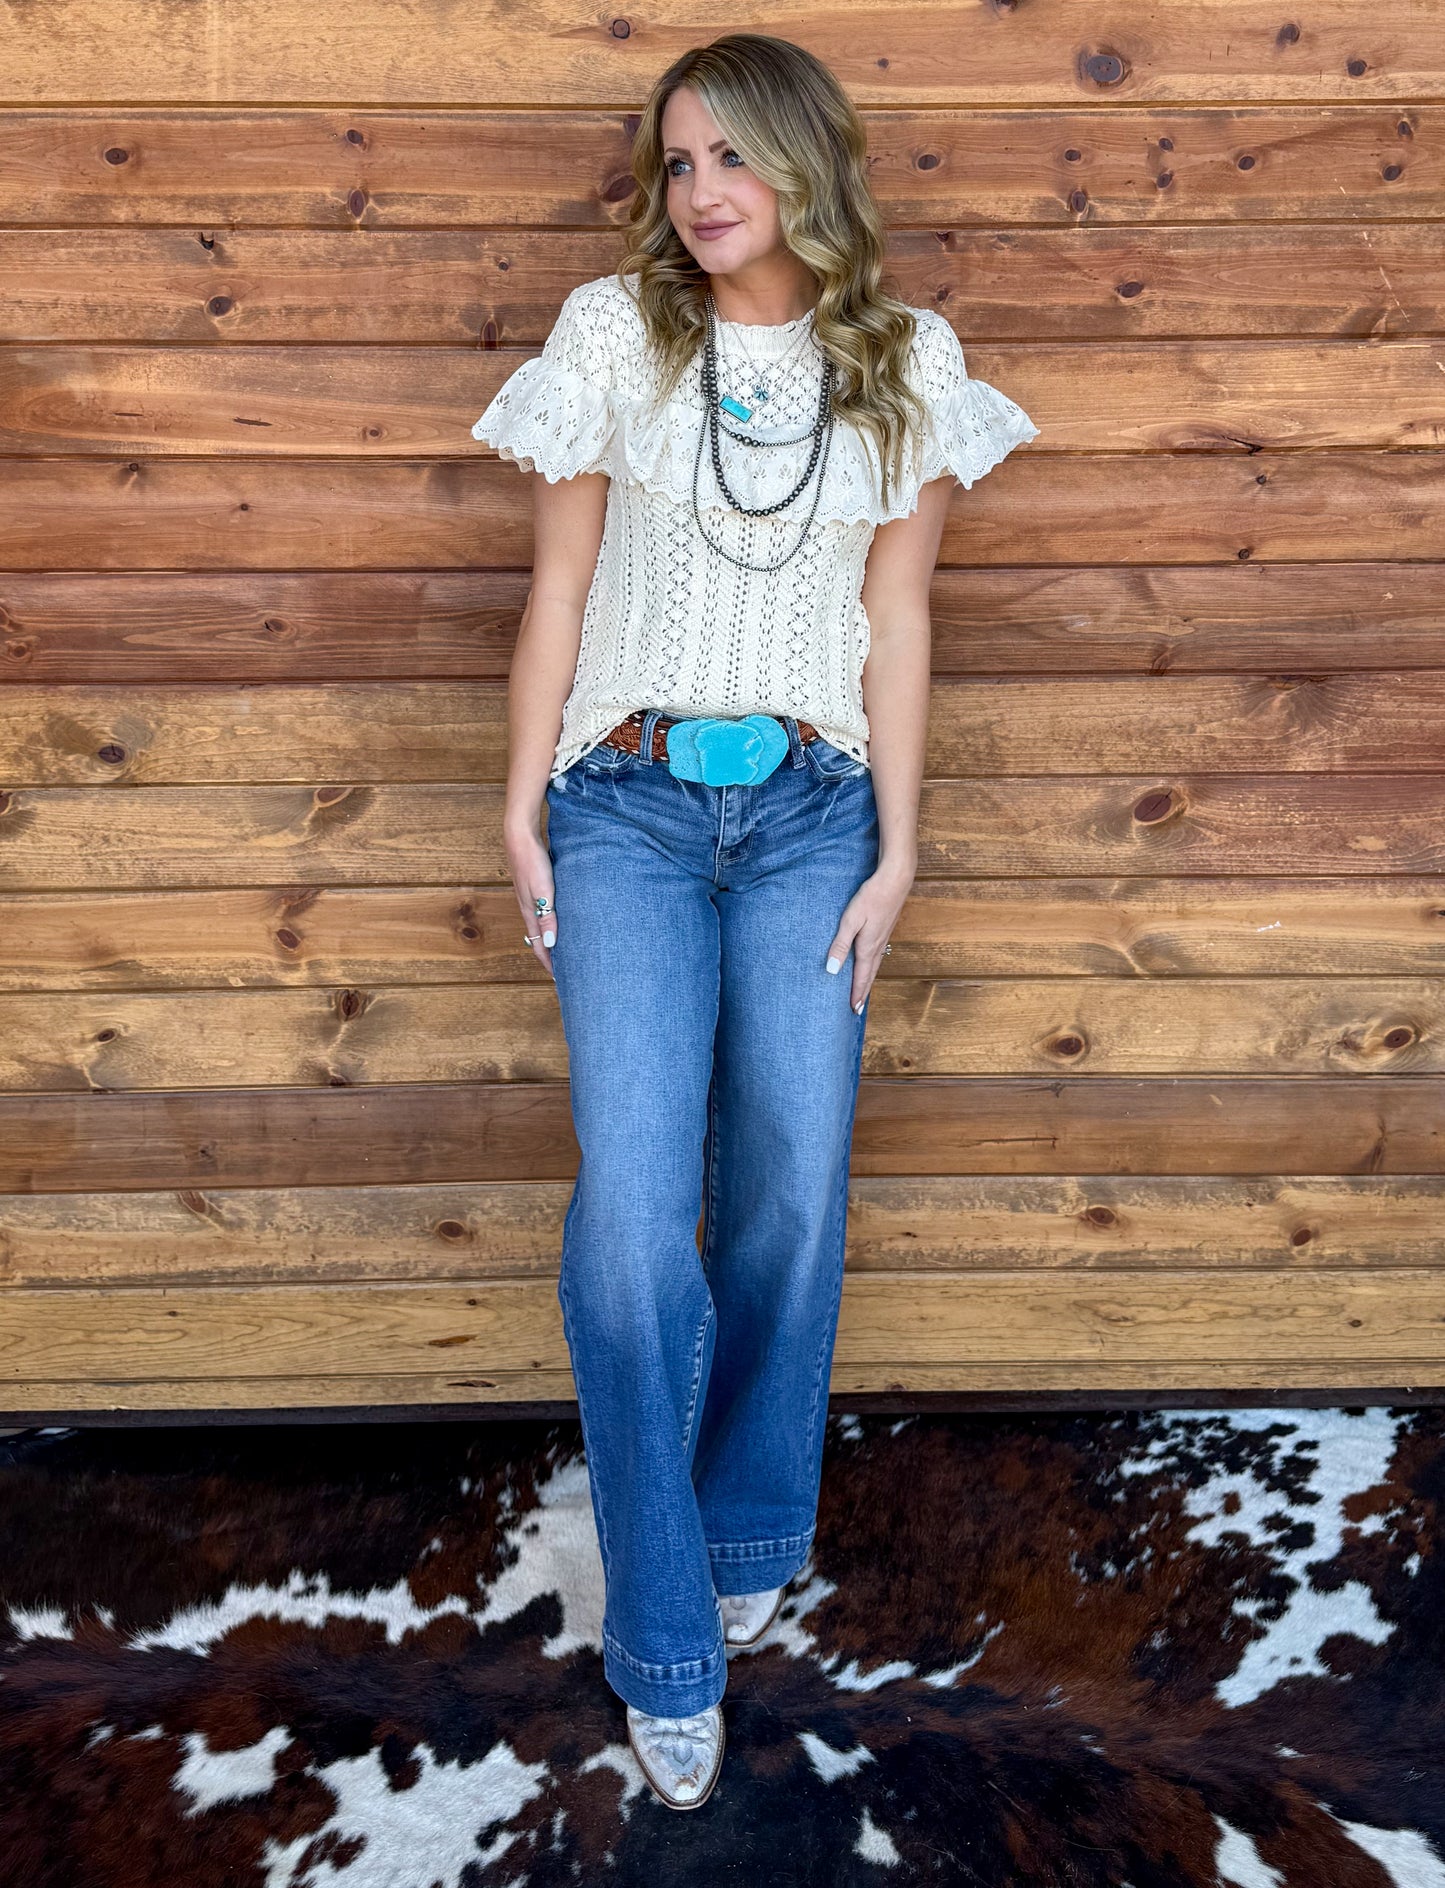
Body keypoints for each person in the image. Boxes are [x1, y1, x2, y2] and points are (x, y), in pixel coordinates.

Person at [471, 32, 1038, 1811]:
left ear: (806, 164)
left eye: (732, 155)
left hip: (811, 818)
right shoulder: (611, 338)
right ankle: (664, 1639)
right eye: (677, 162)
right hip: (627, 807)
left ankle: (742, 1520)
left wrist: (900, 848)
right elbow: (561, 586)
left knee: (794, 1184)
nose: (701, 191)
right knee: (636, 1214)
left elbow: (900, 626)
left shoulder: (907, 369)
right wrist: (519, 797)